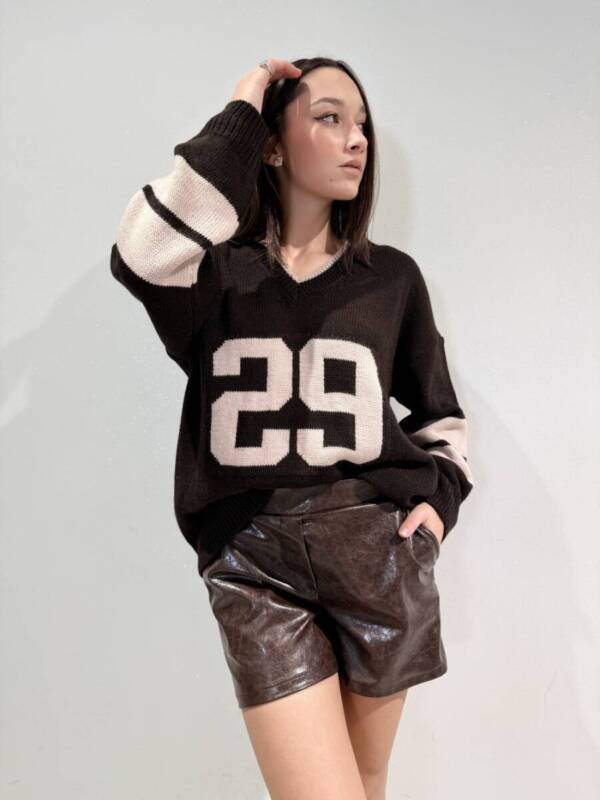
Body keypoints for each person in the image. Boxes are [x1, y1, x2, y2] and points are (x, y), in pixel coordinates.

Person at [110, 55, 474, 800]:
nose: (357, 139)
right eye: (329, 118)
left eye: (362, 124)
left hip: (376, 553)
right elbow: (142, 253)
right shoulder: (212, 276)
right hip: (255, 562)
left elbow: (440, 417)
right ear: (273, 146)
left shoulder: (392, 278)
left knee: (366, 782)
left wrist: (437, 512)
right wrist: (242, 113)